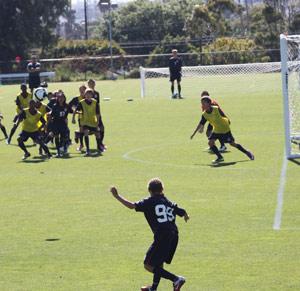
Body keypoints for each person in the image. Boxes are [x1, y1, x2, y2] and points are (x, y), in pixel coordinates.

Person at [110, 178, 189, 291]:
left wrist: (117, 196)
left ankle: (176, 279)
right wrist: (185, 215)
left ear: (149, 191)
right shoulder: (167, 201)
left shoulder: (149, 201)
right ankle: (154, 288)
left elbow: (132, 206)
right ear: (162, 189)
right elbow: (181, 210)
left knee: (148, 265)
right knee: (158, 262)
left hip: (163, 235)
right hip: (174, 235)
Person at [190, 96, 254, 164]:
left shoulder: (216, 109)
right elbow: (201, 124)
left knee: (232, 144)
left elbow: (224, 116)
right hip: (217, 130)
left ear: (209, 103)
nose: (202, 105)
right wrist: (193, 134)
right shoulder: (204, 114)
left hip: (224, 129)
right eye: (201, 103)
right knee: (210, 143)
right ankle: (220, 157)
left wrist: (228, 121)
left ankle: (247, 152)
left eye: (203, 103)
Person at [73, 89, 102, 156]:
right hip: (84, 121)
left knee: (97, 134)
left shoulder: (95, 102)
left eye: (90, 94)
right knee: (86, 132)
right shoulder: (81, 102)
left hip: (92, 121)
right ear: (85, 95)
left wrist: (97, 121)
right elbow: (76, 110)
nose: (88, 95)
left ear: (92, 95)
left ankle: (99, 147)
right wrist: (73, 118)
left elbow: (98, 113)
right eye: (87, 94)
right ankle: (87, 150)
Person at [47, 92, 72, 157]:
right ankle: (58, 152)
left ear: (64, 98)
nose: (61, 99)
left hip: (63, 124)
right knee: (56, 137)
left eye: (62, 97)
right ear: (57, 99)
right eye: (59, 98)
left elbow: (71, 111)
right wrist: (50, 121)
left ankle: (63, 147)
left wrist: (79, 112)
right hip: (56, 123)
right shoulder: (55, 106)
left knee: (64, 137)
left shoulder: (66, 105)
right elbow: (51, 114)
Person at [87, 79, 106, 151]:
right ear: (88, 84)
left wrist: (99, 113)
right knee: (93, 130)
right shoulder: (86, 93)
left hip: (96, 114)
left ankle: (100, 143)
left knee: (101, 128)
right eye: (90, 83)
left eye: (93, 83)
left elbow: (98, 104)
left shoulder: (97, 93)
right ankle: (79, 136)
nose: (92, 85)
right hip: (89, 115)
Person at [69, 85, 86, 151]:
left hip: (90, 117)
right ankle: (81, 145)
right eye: (80, 90)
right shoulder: (76, 99)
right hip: (81, 118)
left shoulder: (89, 97)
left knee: (91, 131)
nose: (82, 91)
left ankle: (77, 133)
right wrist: (76, 112)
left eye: (83, 90)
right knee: (83, 131)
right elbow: (68, 106)